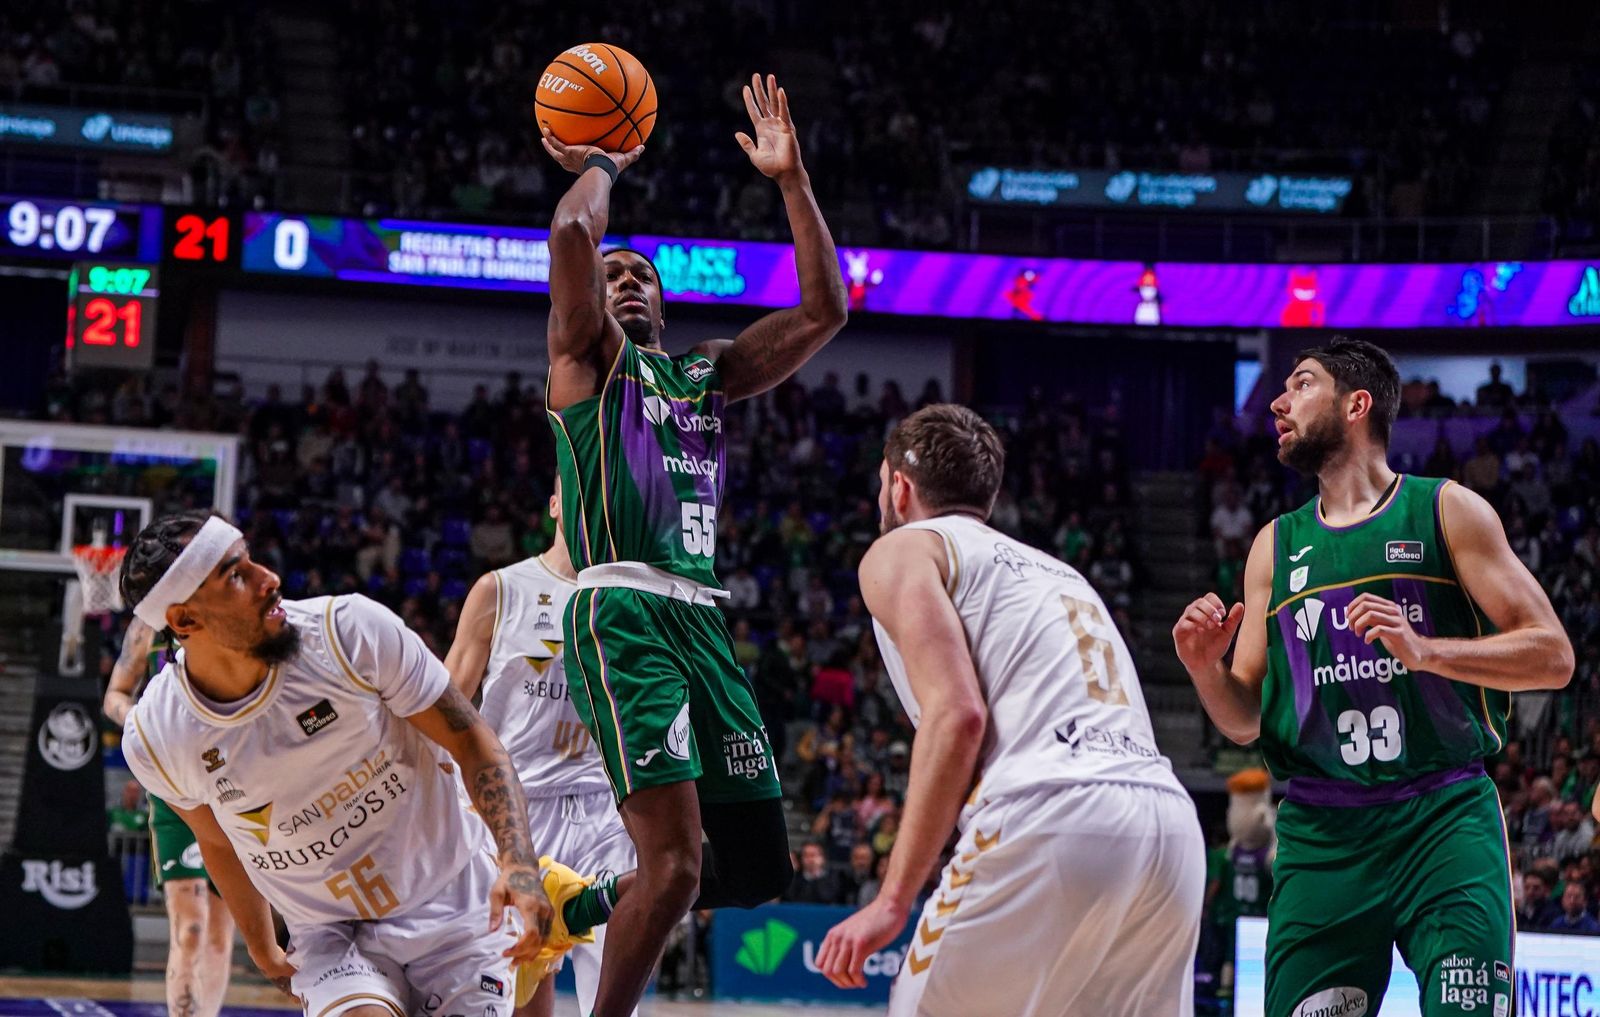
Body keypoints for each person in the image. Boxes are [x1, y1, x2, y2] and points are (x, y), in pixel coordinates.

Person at [540, 72, 847, 1016]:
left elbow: (825, 310)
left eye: (644, 277)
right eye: (616, 275)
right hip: (621, 605)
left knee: (754, 869)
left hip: (703, 622)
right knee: (672, 871)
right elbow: (571, 236)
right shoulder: (585, 361)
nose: (625, 283)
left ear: (666, 306)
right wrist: (602, 160)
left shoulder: (705, 375)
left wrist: (792, 182)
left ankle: (581, 903)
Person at [1174, 338, 1574, 1017]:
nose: (1277, 401)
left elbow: (1553, 655)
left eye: (1300, 384)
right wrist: (1201, 667)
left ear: (1357, 405)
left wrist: (1428, 651)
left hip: (1443, 817)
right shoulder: (1276, 544)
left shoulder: (1448, 510)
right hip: (1324, 832)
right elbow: (1244, 716)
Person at [115, 511, 589, 1017]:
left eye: (250, 560)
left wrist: (517, 861)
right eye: (235, 575)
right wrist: (258, 943)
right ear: (184, 621)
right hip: (330, 935)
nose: (268, 579)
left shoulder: (348, 632)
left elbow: (473, 740)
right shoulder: (157, 735)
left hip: (452, 900)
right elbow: (217, 841)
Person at [817, 404, 1204, 1016]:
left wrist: (893, 900)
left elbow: (958, 716)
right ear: (986, 499)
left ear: (899, 486)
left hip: (1052, 806)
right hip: (1167, 824)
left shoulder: (902, 550)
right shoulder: (1059, 571)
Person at [444, 481, 639, 1017]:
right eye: (579, 488)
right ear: (554, 502)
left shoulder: (638, 600)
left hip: (607, 808)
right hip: (515, 811)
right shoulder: (500, 590)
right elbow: (445, 704)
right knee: (515, 989)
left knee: (617, 992)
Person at [104, 617, 235, 1017]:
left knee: (218, 933)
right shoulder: (147, 628)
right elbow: (114, 696)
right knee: (191, 929)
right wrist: (142, 723)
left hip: (230, 790)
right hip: (173, 792)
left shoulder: (228, 619)